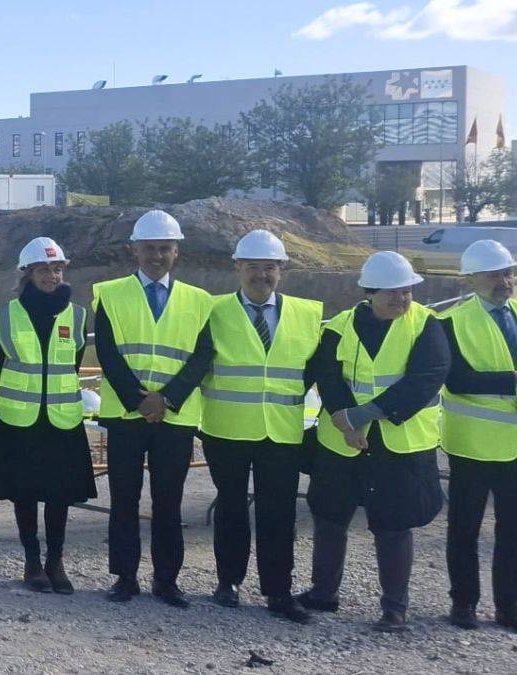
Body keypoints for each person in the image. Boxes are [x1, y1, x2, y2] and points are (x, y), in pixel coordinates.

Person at [301, 250, 447, 633]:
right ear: (370, 293)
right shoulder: (341, 325)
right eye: (392, 293)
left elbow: (426, 378)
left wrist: (361, 416)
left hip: (399, 443)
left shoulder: (427, 325)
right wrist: (345, 420)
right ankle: (323, 593)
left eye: (407, 292)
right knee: (330, 515)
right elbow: (327, 374)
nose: (402, 299)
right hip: (342, 440)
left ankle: (394, 608)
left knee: (393, 523)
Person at [93, 209, 214, 609]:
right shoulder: (109, 293)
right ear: (134, 250)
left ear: (176, 252)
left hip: (175, 418)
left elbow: (201, 357)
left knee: (168, 500)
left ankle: (167, 581)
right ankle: (125, 577)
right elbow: (108, 353)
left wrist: (167, 399)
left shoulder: (199, 301)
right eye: (149, 249)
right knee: (124, 498)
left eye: (164, 249)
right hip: (127, 416)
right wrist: (140, 400)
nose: (156, 256)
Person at [198, 230, 321, 623]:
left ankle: (278, 591)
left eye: (269, 267)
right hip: (226, 429)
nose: (261, 275)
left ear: (282, 270)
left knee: (278, 513)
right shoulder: (212, 311)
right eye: (253, 267)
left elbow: (321, 371)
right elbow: (194, 364)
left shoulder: (308, 313)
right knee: (231, 508)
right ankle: (227, 582)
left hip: (283, 433)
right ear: (237, 268)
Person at [0, 237, 95, 595]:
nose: (51, 275)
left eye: (57, 268)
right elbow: (1, 365)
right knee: (25, 493)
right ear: (27, 273)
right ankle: (32, 562)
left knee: (59, 494)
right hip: (21, 419)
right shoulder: (5, 314)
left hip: (62, 418)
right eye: (43, 269)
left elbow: (73, 364)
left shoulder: (76, 316)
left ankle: (55, 562)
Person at [439, 239, 517, 631]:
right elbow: (458, 378)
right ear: (472, 279)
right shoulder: (452, 322)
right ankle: (464, 602)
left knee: (513, 532)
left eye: (508, 272)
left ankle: (510, 607)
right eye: (494, 274)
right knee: (464, 528)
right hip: (472, 443)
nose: (504, 281)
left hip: (515, 448)